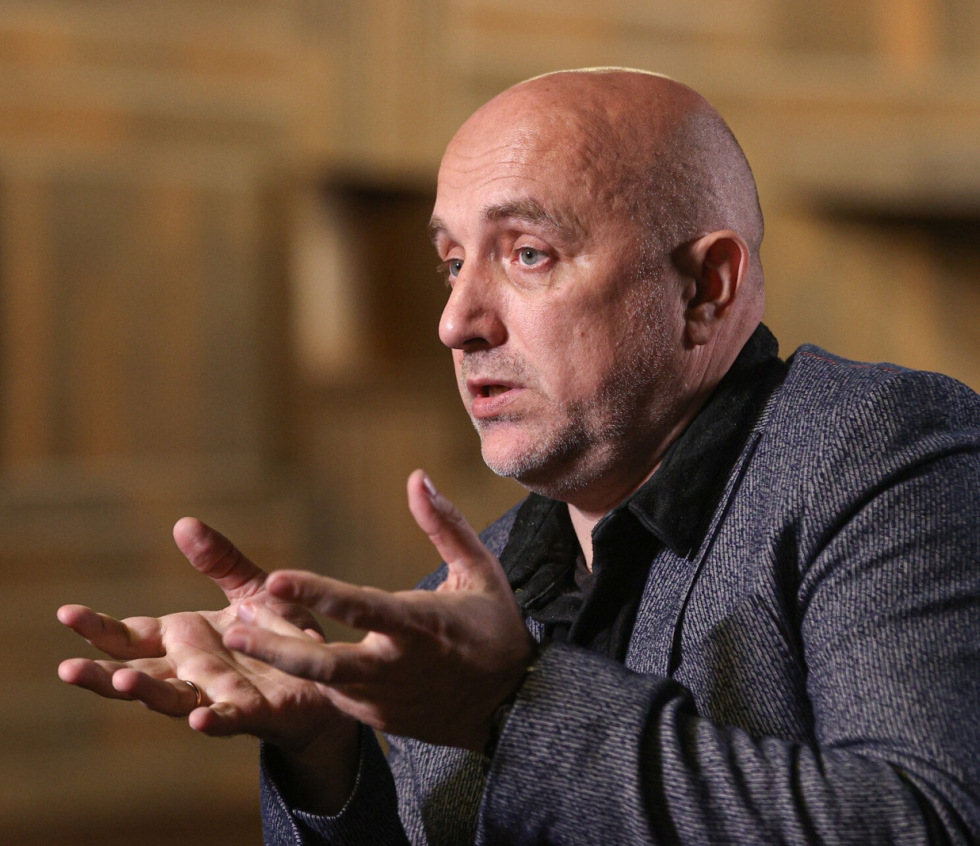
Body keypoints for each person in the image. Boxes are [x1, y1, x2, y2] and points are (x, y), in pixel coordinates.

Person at [57, 68, 980, 844]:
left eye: (529, 254)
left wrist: (511, 707)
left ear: (706, 286)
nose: (456, 321)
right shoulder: (472, 589)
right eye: (453, 262)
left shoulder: (884, 451)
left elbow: (927, 821)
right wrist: (326, 756)